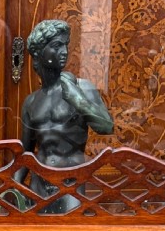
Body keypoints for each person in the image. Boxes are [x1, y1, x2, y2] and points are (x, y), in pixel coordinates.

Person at [20, 19, 113, 199]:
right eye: (56, 46)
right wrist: (14, 185)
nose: (64, 52)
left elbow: (106, 127)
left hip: (71, 184)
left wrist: (77, 99)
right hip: (38, 184)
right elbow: (26, 153)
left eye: (65, 45)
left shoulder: (82, 88)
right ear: (39, 52)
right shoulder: (31, 102)